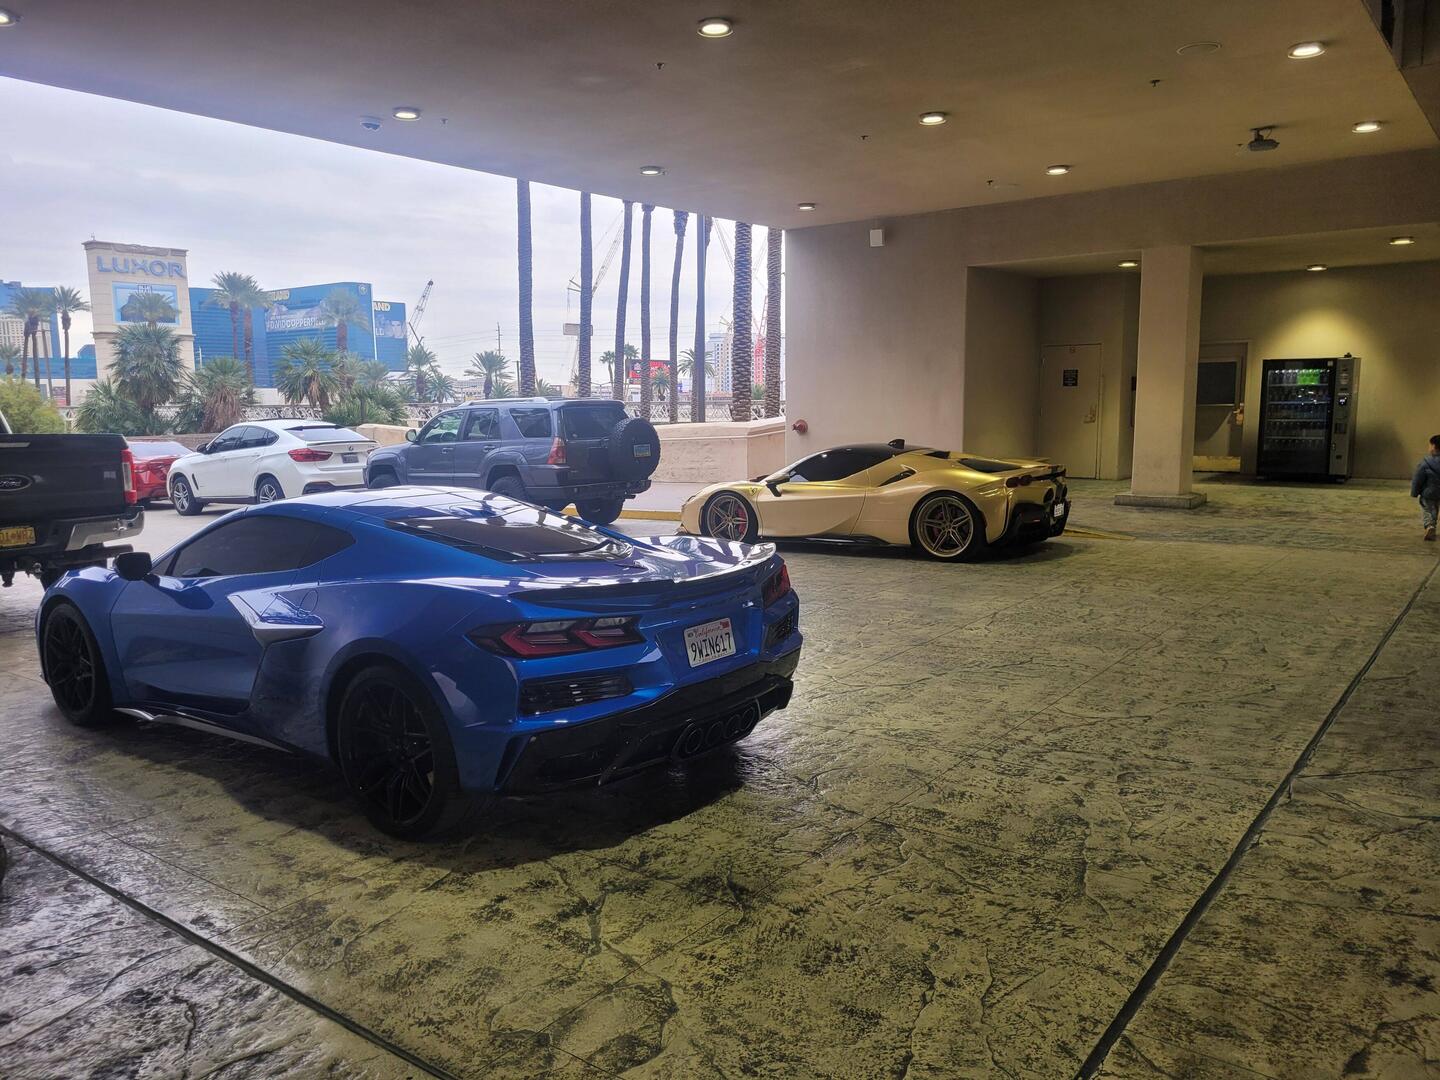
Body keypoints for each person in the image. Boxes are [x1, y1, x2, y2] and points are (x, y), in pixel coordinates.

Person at [1412, 434, 1440, 542]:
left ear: (1433, 446)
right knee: (1434, 508)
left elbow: (1418, 479)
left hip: (1429, 492)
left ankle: (1429, 526)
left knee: (1428, 509)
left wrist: (1415, 492)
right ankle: (1432, 526)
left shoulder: (1425, 463)